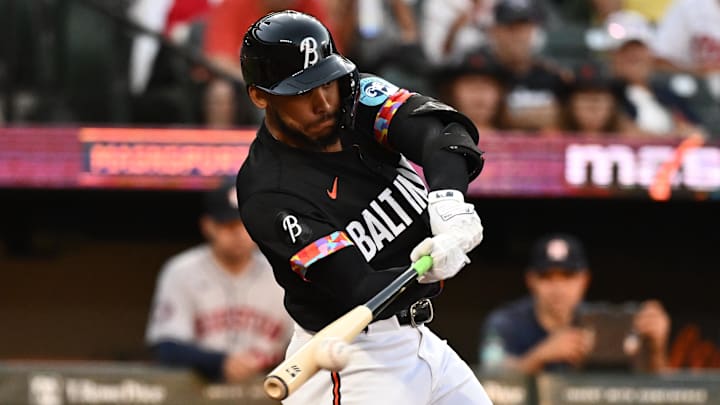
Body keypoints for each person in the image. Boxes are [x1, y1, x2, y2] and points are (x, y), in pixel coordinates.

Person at [236, 10, 491, 405]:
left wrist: (448, 200)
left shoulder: (354, 99)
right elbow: (358, 287)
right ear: (259, 95)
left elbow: (443, 132)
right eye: (301, 92)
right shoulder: (269, 192)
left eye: (326, 83)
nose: (322, 102)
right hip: (351, 361)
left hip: (421, 341)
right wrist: (429, 267)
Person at [145, 180, 293, 382]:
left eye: (245, 223)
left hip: (270, 390)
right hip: (200, 391)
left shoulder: (282, 273)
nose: (239, 233)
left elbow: (307, 344)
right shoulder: (181, 271)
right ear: (208, 226)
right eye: (228, 225)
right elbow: (167, 347)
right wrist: (220, 362)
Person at [478, 233, 671, 374]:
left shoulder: (605, 322)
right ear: (531, 280)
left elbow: (654, 391)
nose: (558, 288)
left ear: (584, 280)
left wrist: (656, 348)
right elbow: (491, 376)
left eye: (568, 276)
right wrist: (539, 356)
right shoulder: (506, 322)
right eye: (547, 277)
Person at [482, 0, 569, 132]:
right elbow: (481, 116)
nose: (518, 36)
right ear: (495, 32)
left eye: (525, 28)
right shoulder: (485, 74)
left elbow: (571, 116)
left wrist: (512, 115)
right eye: (511, 28)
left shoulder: (552, 76)